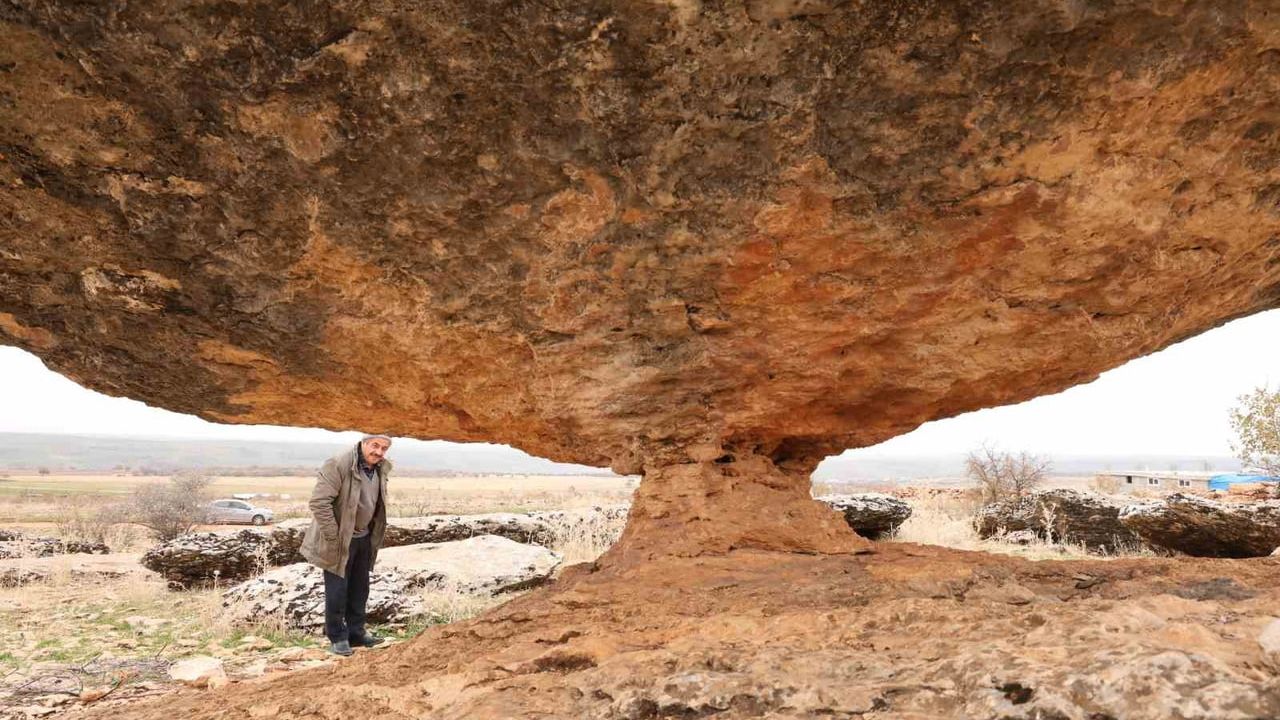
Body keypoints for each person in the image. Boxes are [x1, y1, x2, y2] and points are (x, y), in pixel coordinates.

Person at [300, 434, 392, 656]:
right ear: (363, 442)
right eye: (375, 445)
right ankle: (337, 636)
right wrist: (335, 537)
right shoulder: (338, 464)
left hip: (363, 538)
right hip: (339, 540)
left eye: (384, 448)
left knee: (360, 589)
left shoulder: (381, 468)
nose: (379, 452)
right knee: (337, 591)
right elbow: (319, 502)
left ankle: (356, 633)